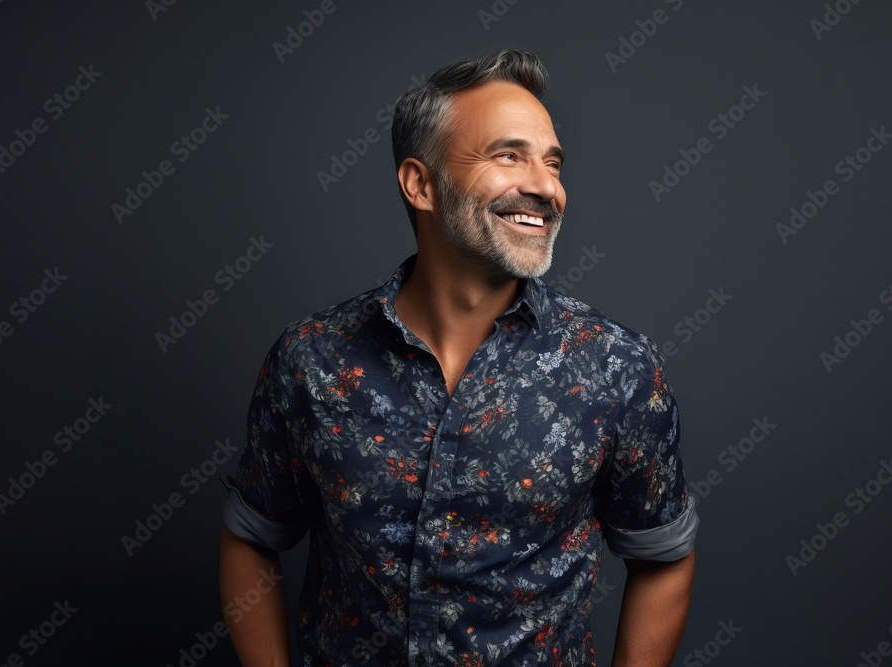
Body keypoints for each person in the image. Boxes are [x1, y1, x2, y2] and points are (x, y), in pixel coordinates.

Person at [219, 48, 699, 667]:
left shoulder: (616, 368)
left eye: (553, 163)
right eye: (509, 155)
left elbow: (663, 558)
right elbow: (251, 536)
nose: (546, 186)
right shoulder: (310, 360)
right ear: (420, 183)